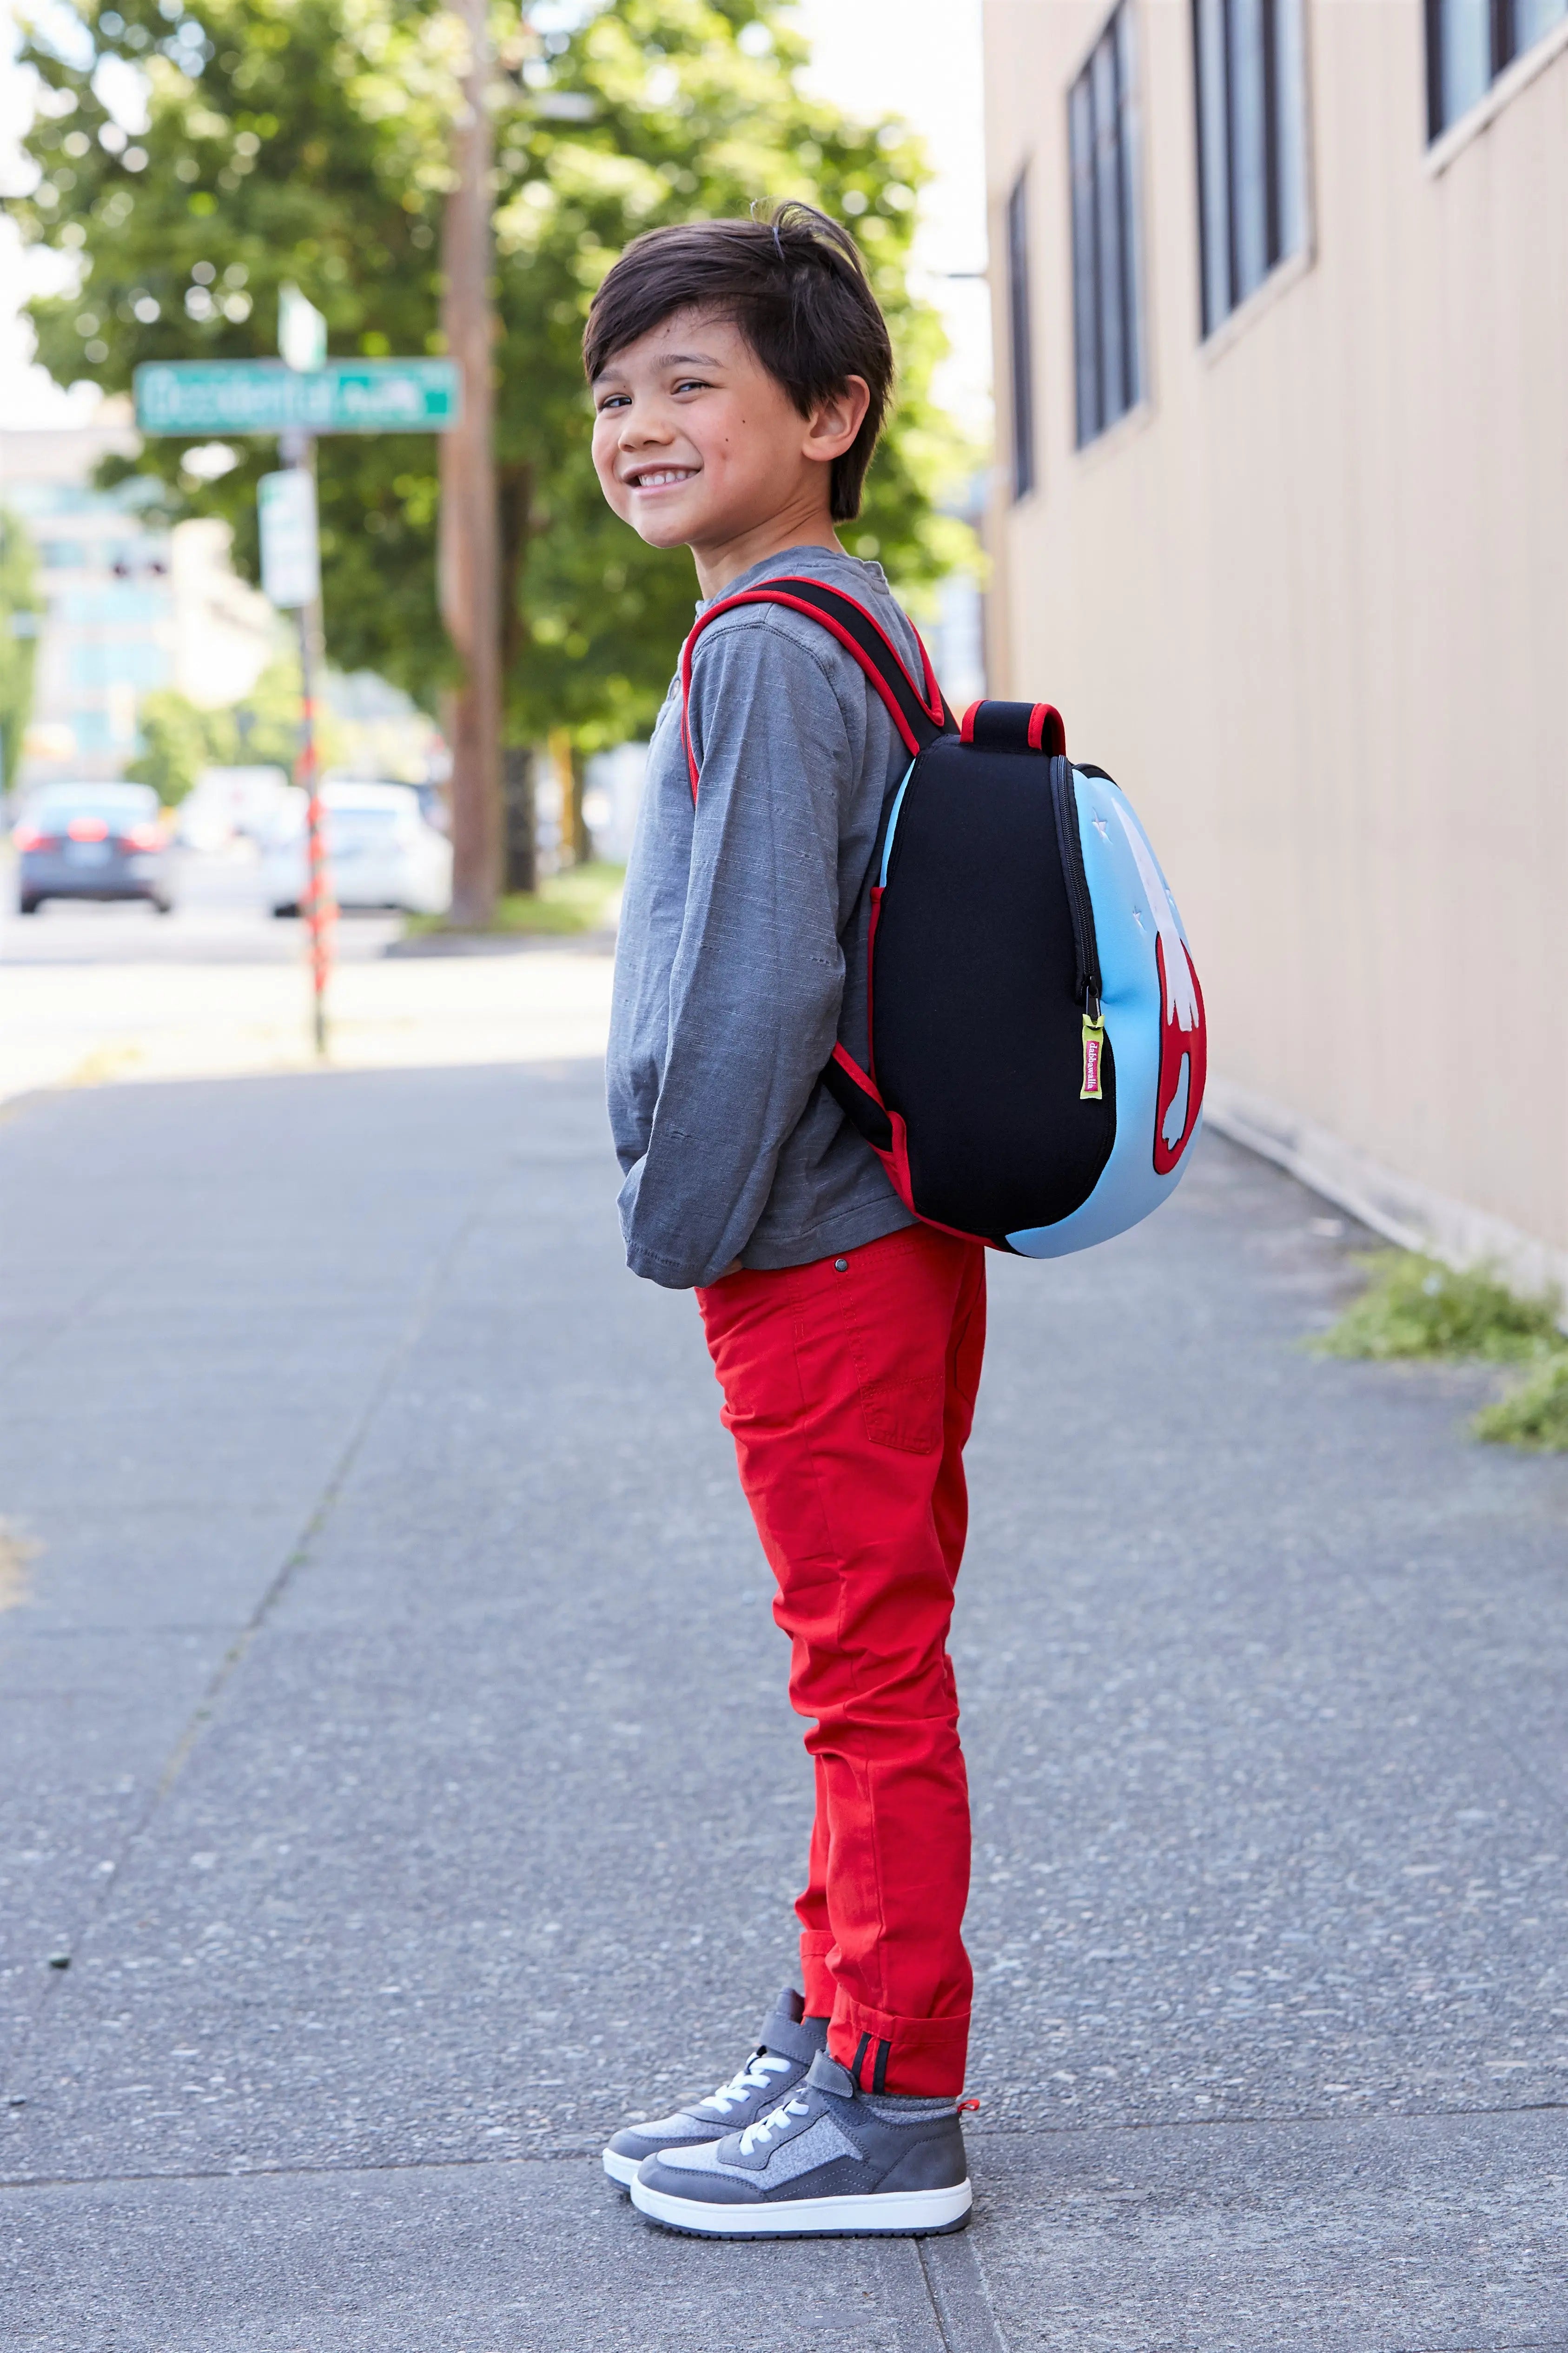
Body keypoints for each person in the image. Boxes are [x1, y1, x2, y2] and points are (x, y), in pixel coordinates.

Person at [592, 202, 983, 2239]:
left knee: (862, 1674)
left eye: (691, 383)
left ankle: (892, 2100)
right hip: (884, 1224)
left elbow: (754, 985)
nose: (639, 427)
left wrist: (677, 1220)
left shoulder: (761, 644)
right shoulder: (852, 616)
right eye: (615, 394)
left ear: (831, 413)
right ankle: (830, 2031)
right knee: (863, 1651)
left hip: (809, 1237)